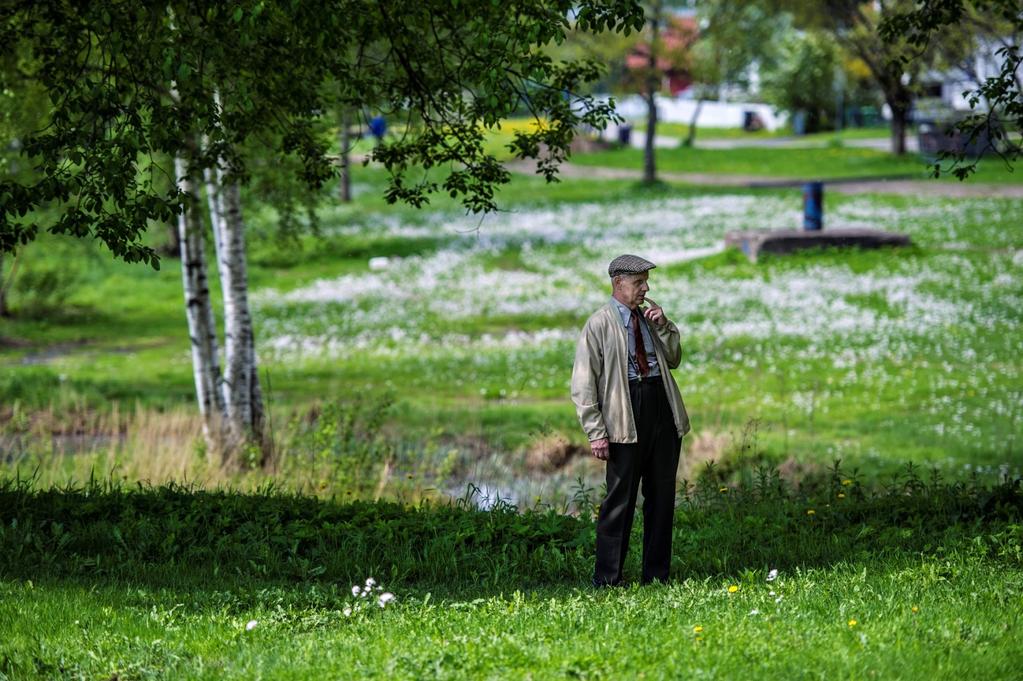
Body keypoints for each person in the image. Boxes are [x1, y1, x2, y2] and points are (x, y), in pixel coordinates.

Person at [570, 254, 691, 586]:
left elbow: (674, 358)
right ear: (618, 283)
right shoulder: (598, 325)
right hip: (625, 413)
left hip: (661, 408)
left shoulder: (651, 319)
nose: (645, 288)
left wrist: (665, 325)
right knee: (619, 499)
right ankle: (608, 579)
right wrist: (596, 432)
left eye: (646, 282)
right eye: (638, 283)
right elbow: (582, 385)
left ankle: (657, 576)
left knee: (661, 496)